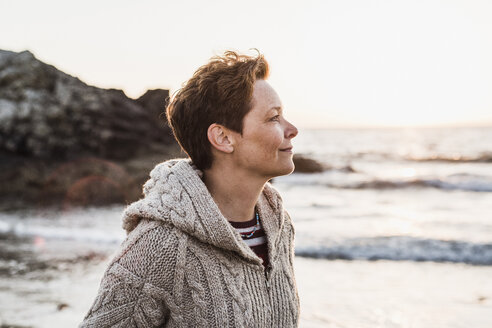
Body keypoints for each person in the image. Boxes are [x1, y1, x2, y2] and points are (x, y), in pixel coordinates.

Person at [80, 50, 300, 327]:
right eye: (273, 118)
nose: (292, 129)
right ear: (222, 137)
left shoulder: (278, 226)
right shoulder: (158, 245)